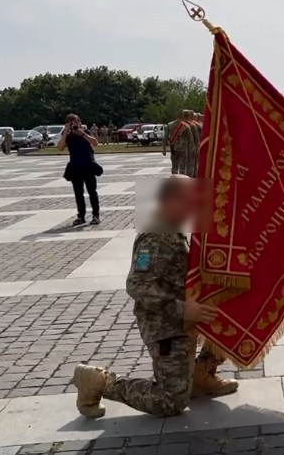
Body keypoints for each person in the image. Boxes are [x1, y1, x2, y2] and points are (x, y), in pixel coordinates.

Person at [72, 176, 223, 418]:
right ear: (166, 201)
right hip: (166, 328)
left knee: (231, 320)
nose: (192, 207)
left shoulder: (171, 229)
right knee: (170, 402)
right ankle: (100, 381)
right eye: (186, 201)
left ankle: (200, 374)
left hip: (182, 320)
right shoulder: (155, 236)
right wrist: (184, 310)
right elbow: (138, 285)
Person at [57, 113, 102, 226]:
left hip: (88, 166)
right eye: (71, 122)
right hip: (75, 168)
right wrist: (66, 132)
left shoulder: (85, 132)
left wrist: (81, 132)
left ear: (79, 122)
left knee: (92, 192)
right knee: (78, 194)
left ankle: (95, 215)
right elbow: (60, 147)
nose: (74, 124)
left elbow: (95, 143)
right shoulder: (67, 135)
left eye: (75, 122)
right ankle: (81, 216)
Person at [163, 110, 189, 174]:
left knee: (174, 166)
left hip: (173, 148)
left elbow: (165, 138)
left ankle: (174, 179)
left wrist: (164, 150)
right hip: (183, 148)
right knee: (182, 167)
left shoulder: (169, 125)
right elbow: (189, 139)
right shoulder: (186, 125)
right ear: (183, 115)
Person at [185, 112, 203, 176]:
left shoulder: (187, 124)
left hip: (189, 146)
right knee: (193, 164)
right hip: (193, 146)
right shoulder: (197, 125)